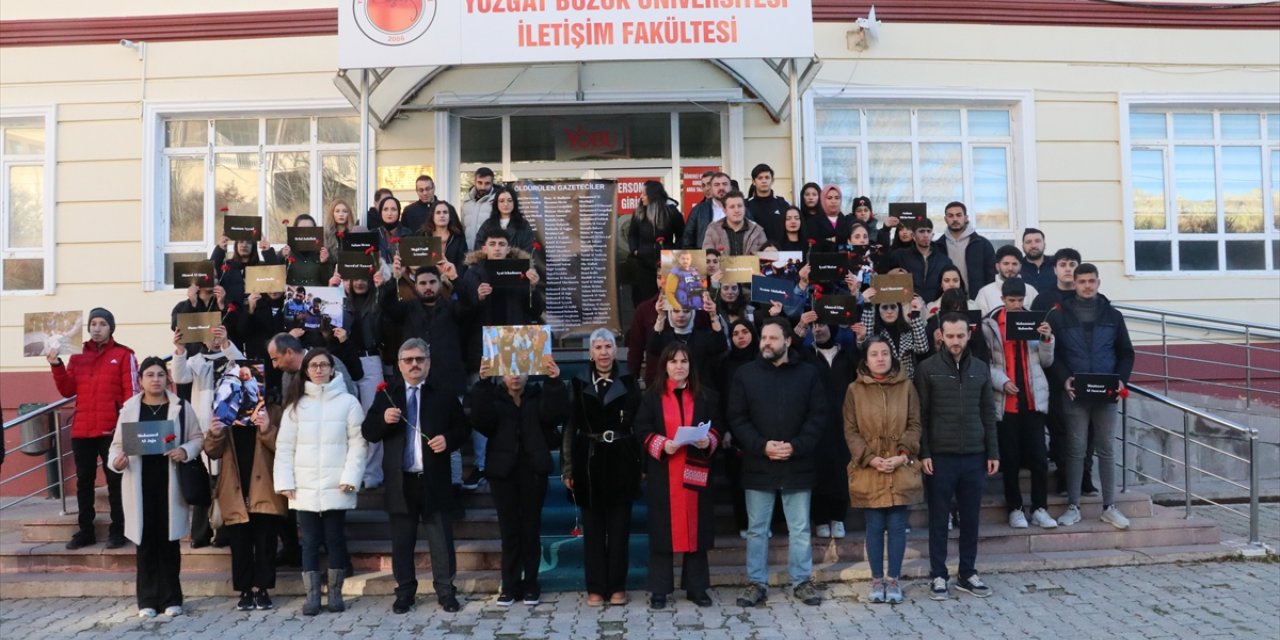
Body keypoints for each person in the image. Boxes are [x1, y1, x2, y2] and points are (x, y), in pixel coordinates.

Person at [363, 338, 468, 614]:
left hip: (434, 479)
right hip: (401, 481)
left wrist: (448, 439)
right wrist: (383, 419)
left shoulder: (443, 392)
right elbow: (368, 432)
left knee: (441, 541)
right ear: (399, 365)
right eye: (408, 360)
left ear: (428, 362)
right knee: (402, 541)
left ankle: (446, 592)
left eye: (419, 359)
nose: (414, 365)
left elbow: (463, 428)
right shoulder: (387, 394)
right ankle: (405, 593)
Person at [729, 317, 827, 608]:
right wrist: (762, 446)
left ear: (788, 341)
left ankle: (802, 581)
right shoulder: (745, 374)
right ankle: (756, 583)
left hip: (797, 463)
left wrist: (795, 447)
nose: (766, 343)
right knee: (757, 528)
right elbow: (737, 418)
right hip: (759, 464)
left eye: (772, 338)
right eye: (763, 338)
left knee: (799, 528)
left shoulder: (808, 374)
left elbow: (818, 416)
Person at [466, 353, 567, 607]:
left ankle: (531, 584)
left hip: (533, 470)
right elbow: (480, 420)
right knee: (509, 530)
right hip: (503, 473)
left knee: (531, 529)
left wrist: (554, 382)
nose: (515, 375)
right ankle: (509, 585)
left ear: (529, 371)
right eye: (510, 370)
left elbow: (554, 416)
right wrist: (483, 383)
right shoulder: (494, 396)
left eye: (520, 369)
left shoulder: (537, 395)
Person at [273, 348, 367, 616]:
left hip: (336, 483)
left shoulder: (348, 403)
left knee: (335, 539)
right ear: (305, 370)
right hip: (304, 485)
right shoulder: (296, 405)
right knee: (311, 540)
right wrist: (285, 481)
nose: (318, 370)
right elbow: (284, 448)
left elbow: (358, 444)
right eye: (313, 366)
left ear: (332, 368)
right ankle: (312, 595)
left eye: (323, 365)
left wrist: (351, 477)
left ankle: (335, 593)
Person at [108, 356, 203, 618]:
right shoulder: (129, 409)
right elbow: (117, 445)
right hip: (139, 484)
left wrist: (185, 450)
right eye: (150, 375)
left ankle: (172, 598)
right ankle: (147, 600)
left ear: (167, 378)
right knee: (146, 542)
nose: (156, 379)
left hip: (169, 482)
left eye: (161, 374)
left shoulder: (181, 407)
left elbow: (197, 437)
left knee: (169, 542)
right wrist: (117, 461)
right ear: (140, 381)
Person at [916, 313, 999, 601]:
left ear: (969, 334)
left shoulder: (980, 368)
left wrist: (993, 451)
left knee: (971, 518)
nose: (955, 341)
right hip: (940, 456)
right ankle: (938, 574)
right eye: (950, 336)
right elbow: (921, 416)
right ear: (940, 335)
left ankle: (967, 572)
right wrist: (924, 452)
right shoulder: (926, 369)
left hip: (975, 455)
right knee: (939, 518)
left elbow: (989, 412)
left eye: (960, 335)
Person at [1048, 264, 1135, 531]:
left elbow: (1126, 353)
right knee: (1075, 450)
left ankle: (1109, 507)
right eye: (1082, 281)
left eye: (1091, 281)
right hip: (1075, 393)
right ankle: (1073, 506)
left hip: (1106, 392)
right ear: (1073, 283)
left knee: (1106, 449)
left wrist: (1121, 380)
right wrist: (1064, 380)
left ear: (1098, 282)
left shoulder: (1113, 315)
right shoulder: (1058, 315)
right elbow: (1053, 355)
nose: (1087, 285)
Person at [635, 343, 720, 610]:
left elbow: (718, 428)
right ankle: (659, 590)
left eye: (684, 361)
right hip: (665, 473)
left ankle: (697, 588)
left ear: (690, 366)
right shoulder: (651, 397)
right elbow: (641, 428)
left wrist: (709, 441)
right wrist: (661, 443)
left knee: (696, 532)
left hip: (696, 470)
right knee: (662, 532)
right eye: (673, 362)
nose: (679, 366)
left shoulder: (706, 397)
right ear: (665, 366)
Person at [562, 329, 642, 607]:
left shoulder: (630, 382)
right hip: (588, 461)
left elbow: (639, 424)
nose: (604, 352)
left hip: (622, 459)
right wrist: (568, 467)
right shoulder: (576, 383)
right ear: (590, 352)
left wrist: (640, 463)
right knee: (593, 532)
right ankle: (595, 587)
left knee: (620, 531)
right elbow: (570, 427)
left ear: (615, 350)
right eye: (598, 347)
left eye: (609, 346)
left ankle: (618, 586)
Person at [47, 307, 136, 550]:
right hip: (83, 430)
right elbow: (67, 389)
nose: (96, 328)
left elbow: (132, 394)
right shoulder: (76, 356)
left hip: (112, 430)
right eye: (93, 324)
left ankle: (119, 530)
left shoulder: (124, 354)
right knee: (84, 482)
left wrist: (127, 426)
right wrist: (56, 364)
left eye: (102, 324)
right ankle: (85, 531)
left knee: (115, 481)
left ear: (111, 328)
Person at [843, 338, 922, 605]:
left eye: (885, 353)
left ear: (892, 357)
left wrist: (902, 455)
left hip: (900, 466)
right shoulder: (854, 390)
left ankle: (894, 579)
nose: (880, 358)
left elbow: (914, 424)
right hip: (869, 468)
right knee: (874, 526)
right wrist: (870, 458)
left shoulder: (907, 386)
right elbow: (850, 430)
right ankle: (876, 579)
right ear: (866, 360)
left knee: (898, 526)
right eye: (874, 354)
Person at [982, 278, 1058, 530]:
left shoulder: (1034, 320)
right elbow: (987, 365)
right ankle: (1015, 509)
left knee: (1038, 458)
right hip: (1005, 402)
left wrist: (1047, 340)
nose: (1016, 305)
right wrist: (1001, 381)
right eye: (1011, 300)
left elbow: (1045, 362)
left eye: (1019, 300)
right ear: (1002, 299)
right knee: (1011, 460)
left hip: (1033, 400)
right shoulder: (990, 325)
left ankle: (1040, 508)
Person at [204, 384, 287, 610]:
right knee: (240, 544)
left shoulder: (273, 411)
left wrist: (267, 429)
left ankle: (263, 589)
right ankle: (244, 590)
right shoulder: (225, 412)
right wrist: (215, 433)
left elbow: (284, 447)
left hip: (265, 489)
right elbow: (212, 451)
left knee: (265, 542)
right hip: (234, 489)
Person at [805, 322, 858, 539]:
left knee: (841, 469)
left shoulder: (845, 353)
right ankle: (820, 518)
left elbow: (858, 370)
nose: (818, 329)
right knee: (818, 469)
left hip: (843, 420)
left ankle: (838, 517)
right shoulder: (807, 355)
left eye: (822, 325)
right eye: (814, 326)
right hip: (815, 421)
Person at [647, 294, 726, 390]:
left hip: (701, 394)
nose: (681, 315)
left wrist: (713, 315)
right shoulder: (666, 338)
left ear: (692, 314)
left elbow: (721, 345)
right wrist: (660, 316)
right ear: (670, 314)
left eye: (686, 311)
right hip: (672, 393)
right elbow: (652, 347)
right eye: (676, 311)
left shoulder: (703, 336)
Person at [628, 180, 685, 307]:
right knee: (646, 299)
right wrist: (635, 250)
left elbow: (682, 235)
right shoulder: (638, 213)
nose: (641, 197)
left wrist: (673, 251)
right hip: (643, 262)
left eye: (644, 194)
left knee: (668, 298)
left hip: (668, 261)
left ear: (653, 195)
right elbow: (632, 235)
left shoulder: (671, 213)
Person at [935, 202, 995, 299]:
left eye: (959, 215)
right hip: (945, 302)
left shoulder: (982, 244)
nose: (955, 219)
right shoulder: (938, 246)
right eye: (950, 216)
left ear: (966, 218)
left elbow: (991, 276)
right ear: (945, 219)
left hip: (976, 301)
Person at [859, 297, 929, 378]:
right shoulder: (874, 333)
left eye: (893, 307)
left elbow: (922, 349)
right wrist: (867, 305)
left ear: (899, 309)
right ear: (878, 311)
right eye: (885, 307)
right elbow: (864, 347)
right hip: (883, 382)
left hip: (906, 381)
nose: (889, 311)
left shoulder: (907, 330)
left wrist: (915, 314)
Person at [891, 217, 953, 305]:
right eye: (921, 231)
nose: (926, 235)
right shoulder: (900, 256)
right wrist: (885, 230)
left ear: (933, 235)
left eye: (928, 231)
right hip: (908, 309)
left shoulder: (944, 260)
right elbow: (884, 276)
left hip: (935, 310)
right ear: (913, 236)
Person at [976, 245, 1039, 315]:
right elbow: (980, 322)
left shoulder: (1031, 291)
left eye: (1014, 264)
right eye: (1006, 264)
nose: (1010, 268)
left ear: (1020, 266)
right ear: (997, 266)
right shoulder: (985, 293)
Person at [472, 185, 536, 253]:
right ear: (496, 203)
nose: (506, 204)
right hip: (491, 263)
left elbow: (528, 250)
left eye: (510, 200)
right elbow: (479, 248)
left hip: (516, 263)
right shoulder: (487, 225)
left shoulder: (523, 225)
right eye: (501, 201)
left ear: (514, 203)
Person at [702, 190, 767, 256]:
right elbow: (707, 257)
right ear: (725, 210)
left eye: (740, 206)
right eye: (732, 207)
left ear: (744, 208)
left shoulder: (757, 231)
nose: (737, 210)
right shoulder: (713, 230)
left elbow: (764, 260)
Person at [423, 200, 471, 280]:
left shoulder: (458, 237)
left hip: (454, 283)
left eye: (445, 212)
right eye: (438, 212)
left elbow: (462, 264)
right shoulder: (425, 236)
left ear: (450, 216)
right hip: (430, 283)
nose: (442, 215)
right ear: (432, 216)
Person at [681, 172, 730, 249]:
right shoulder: (698, 210)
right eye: (703, 185)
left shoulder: (740, 207)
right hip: (705, 257)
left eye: (709, 184)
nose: (707, 188)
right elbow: (687, 239)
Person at [745, 163, 791, 243]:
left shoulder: (782, 203)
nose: (764, 181)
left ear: (772, 180)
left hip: (779, 250)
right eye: (760, 178)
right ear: (753, 182)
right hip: (753, 252)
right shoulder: (745, 205)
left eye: (767, 178)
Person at [802, 184, 848, 253]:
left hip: (844, 262)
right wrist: (839, 240)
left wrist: (831, 240)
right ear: (822, 200)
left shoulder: (848, 221)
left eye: (837, 198)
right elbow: (812, 248)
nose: (833, 201)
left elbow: (852, 248)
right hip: (822, 262)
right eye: (829, 198)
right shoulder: (812, 223)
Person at [460, 167, 497, 250]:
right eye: (480, 182)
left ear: (492, 183)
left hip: (489, 255)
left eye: (487, 183)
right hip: (468, 254)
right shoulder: (466, 202)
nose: (483, 187)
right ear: (474, 182)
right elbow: (463, 228)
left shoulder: (497, 202)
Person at [1019, 228, 1056, 294]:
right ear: (1023, 247)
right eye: (1028, 242)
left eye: (1037, 241)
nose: (1033, 246)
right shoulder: (1017, 267)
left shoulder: (1056, 264)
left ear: (1044, 245)